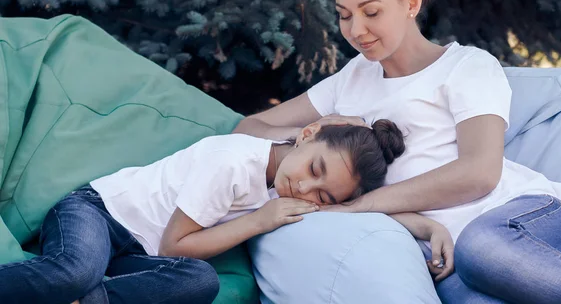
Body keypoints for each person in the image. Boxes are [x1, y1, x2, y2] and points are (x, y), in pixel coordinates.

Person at [232, 0, 561, 303]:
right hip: (448, 255)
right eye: (345, 16)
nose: (356, 30)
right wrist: (318, 129)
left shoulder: (466, 66)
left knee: (480, 247)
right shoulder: (350, 79)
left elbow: (480, 172)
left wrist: (364, 205)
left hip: (521, 220)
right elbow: (249, 127)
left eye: (371, 12)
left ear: (411, 2)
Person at [0, 119, 408, 304]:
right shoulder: (235, 162)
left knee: (199, 282)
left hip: (137, 252)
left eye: (325, 196)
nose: (305, 189)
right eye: (314, 169)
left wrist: (423, 224)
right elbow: (174, 243)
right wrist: (256, 222)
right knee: (77, 270)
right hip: (97, 212)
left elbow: (355, 208)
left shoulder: (286, 185)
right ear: (306, 135)